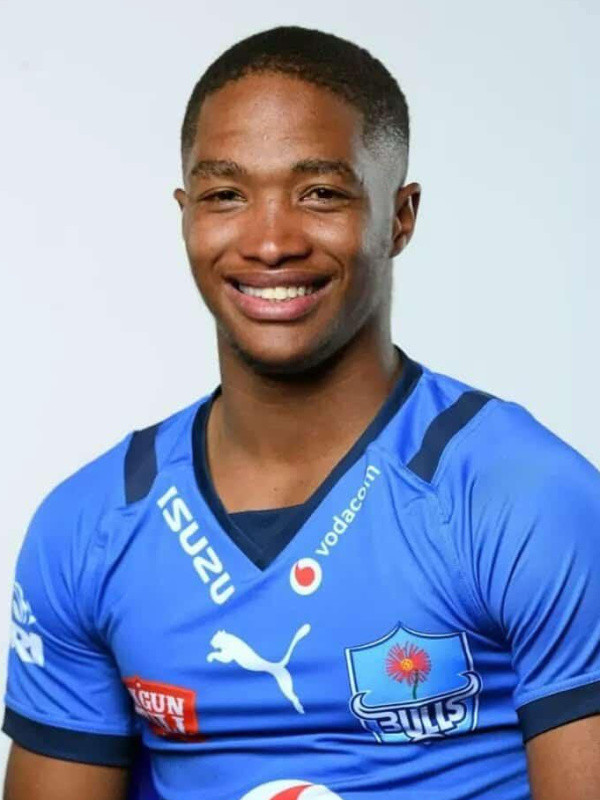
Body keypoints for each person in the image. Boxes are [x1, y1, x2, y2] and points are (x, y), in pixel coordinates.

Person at [2, 25, 599, 800]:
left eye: (320, 193)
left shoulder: (524, 500)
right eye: (226, 195)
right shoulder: (90, 526)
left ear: (400, 217)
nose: (270, 242)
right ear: (186, 215)